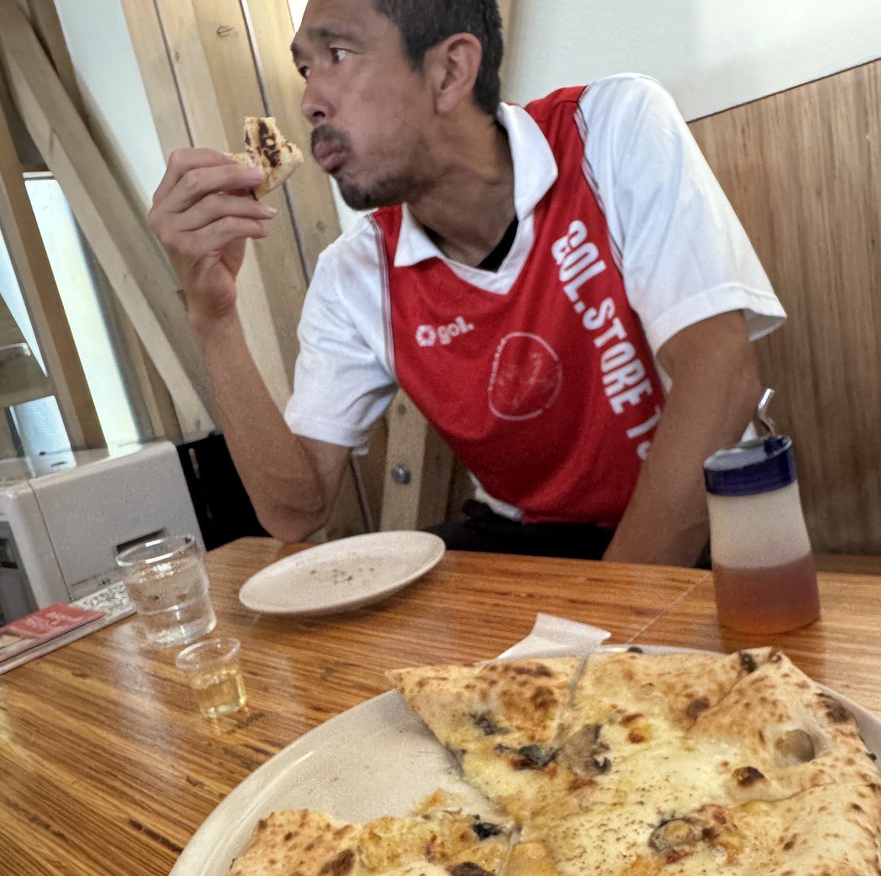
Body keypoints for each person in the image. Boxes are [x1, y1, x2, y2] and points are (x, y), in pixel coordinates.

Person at [148, 0, 785, 566]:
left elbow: (722, 380)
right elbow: (294, 511)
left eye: (337, 54)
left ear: (450, 71)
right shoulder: (354, 274)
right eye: (306, 69)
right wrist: (213, 316)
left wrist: (594, 641)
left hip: (706, 514)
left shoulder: (610, 127)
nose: (309, 101)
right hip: (522, 540)